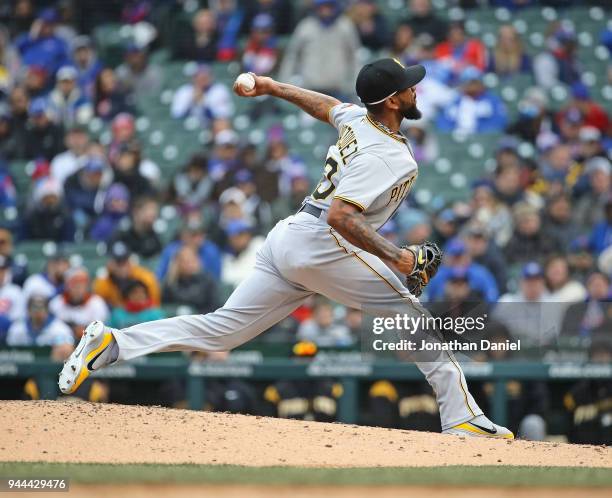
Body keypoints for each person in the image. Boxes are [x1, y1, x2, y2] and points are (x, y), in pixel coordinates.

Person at [59, 58, 513, 439]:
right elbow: (341, 216)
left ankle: (112, 343)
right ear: (392, 100)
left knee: (223, 332)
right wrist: (399, 257)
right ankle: (462, 416)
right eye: (408, 86)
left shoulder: (359, 118)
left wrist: (273, 86)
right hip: (321, 241)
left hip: (290, 236)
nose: (416, 89)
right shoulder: (387, 155)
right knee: (411, 316)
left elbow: (327, 107)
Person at [278, 0, 360, 99]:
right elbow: (292, 56)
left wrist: (355, 85)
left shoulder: (345, 26)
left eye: (328, 7)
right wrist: (284, 84)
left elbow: (355, 57)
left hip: (338, 89)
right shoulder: (305, 26)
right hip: (310, 89)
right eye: (322, 7)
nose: (325, 11)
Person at [436, 67, 507, 135]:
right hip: (457, 139)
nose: (472, 86)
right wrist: (454, 133)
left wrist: (479, 131)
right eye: (469, 83)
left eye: (475, 82)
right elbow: (442, 122)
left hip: (483, 139)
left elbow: (500, 121)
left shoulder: (492, 101)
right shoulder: (454, 100)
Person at [93, 241, 160, 308]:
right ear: (110, 263)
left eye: (124, 261)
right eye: (118, 262)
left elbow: (155, 305)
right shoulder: (104, 280)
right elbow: (98, 306)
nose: (122, 266)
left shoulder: (144, 277)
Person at [7, 294, 73, 361]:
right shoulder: (17, 329)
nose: (38, 311)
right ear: (28, 310)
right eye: (35, 307)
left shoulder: (60, 329)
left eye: (42, 307)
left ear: (47, 310)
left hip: (50, 368)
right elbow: (9, 353)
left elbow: (68, 351)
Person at [49, 267, 109, 340]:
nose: (79, 287)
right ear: (67, 285)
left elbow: (100, 330)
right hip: (64, 343)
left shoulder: (97, 303)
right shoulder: (56, 303)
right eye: (75, 283)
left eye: (82, 283)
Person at [157, 220, 222, 281]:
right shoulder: (171, 251)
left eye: (201, 234)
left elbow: (216, 278)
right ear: (183, 235)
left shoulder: (211, 251)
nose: (198, 239)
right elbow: (160, 276)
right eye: (194, 235)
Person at [162, 246, 220, 312]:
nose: (190, 265)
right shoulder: (170, 282)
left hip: (202, 318)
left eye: (192, 261)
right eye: (185, 262)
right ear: (177, 263)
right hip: (177, 319)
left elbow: (214, 305)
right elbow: (165, 306)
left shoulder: (207, 279)